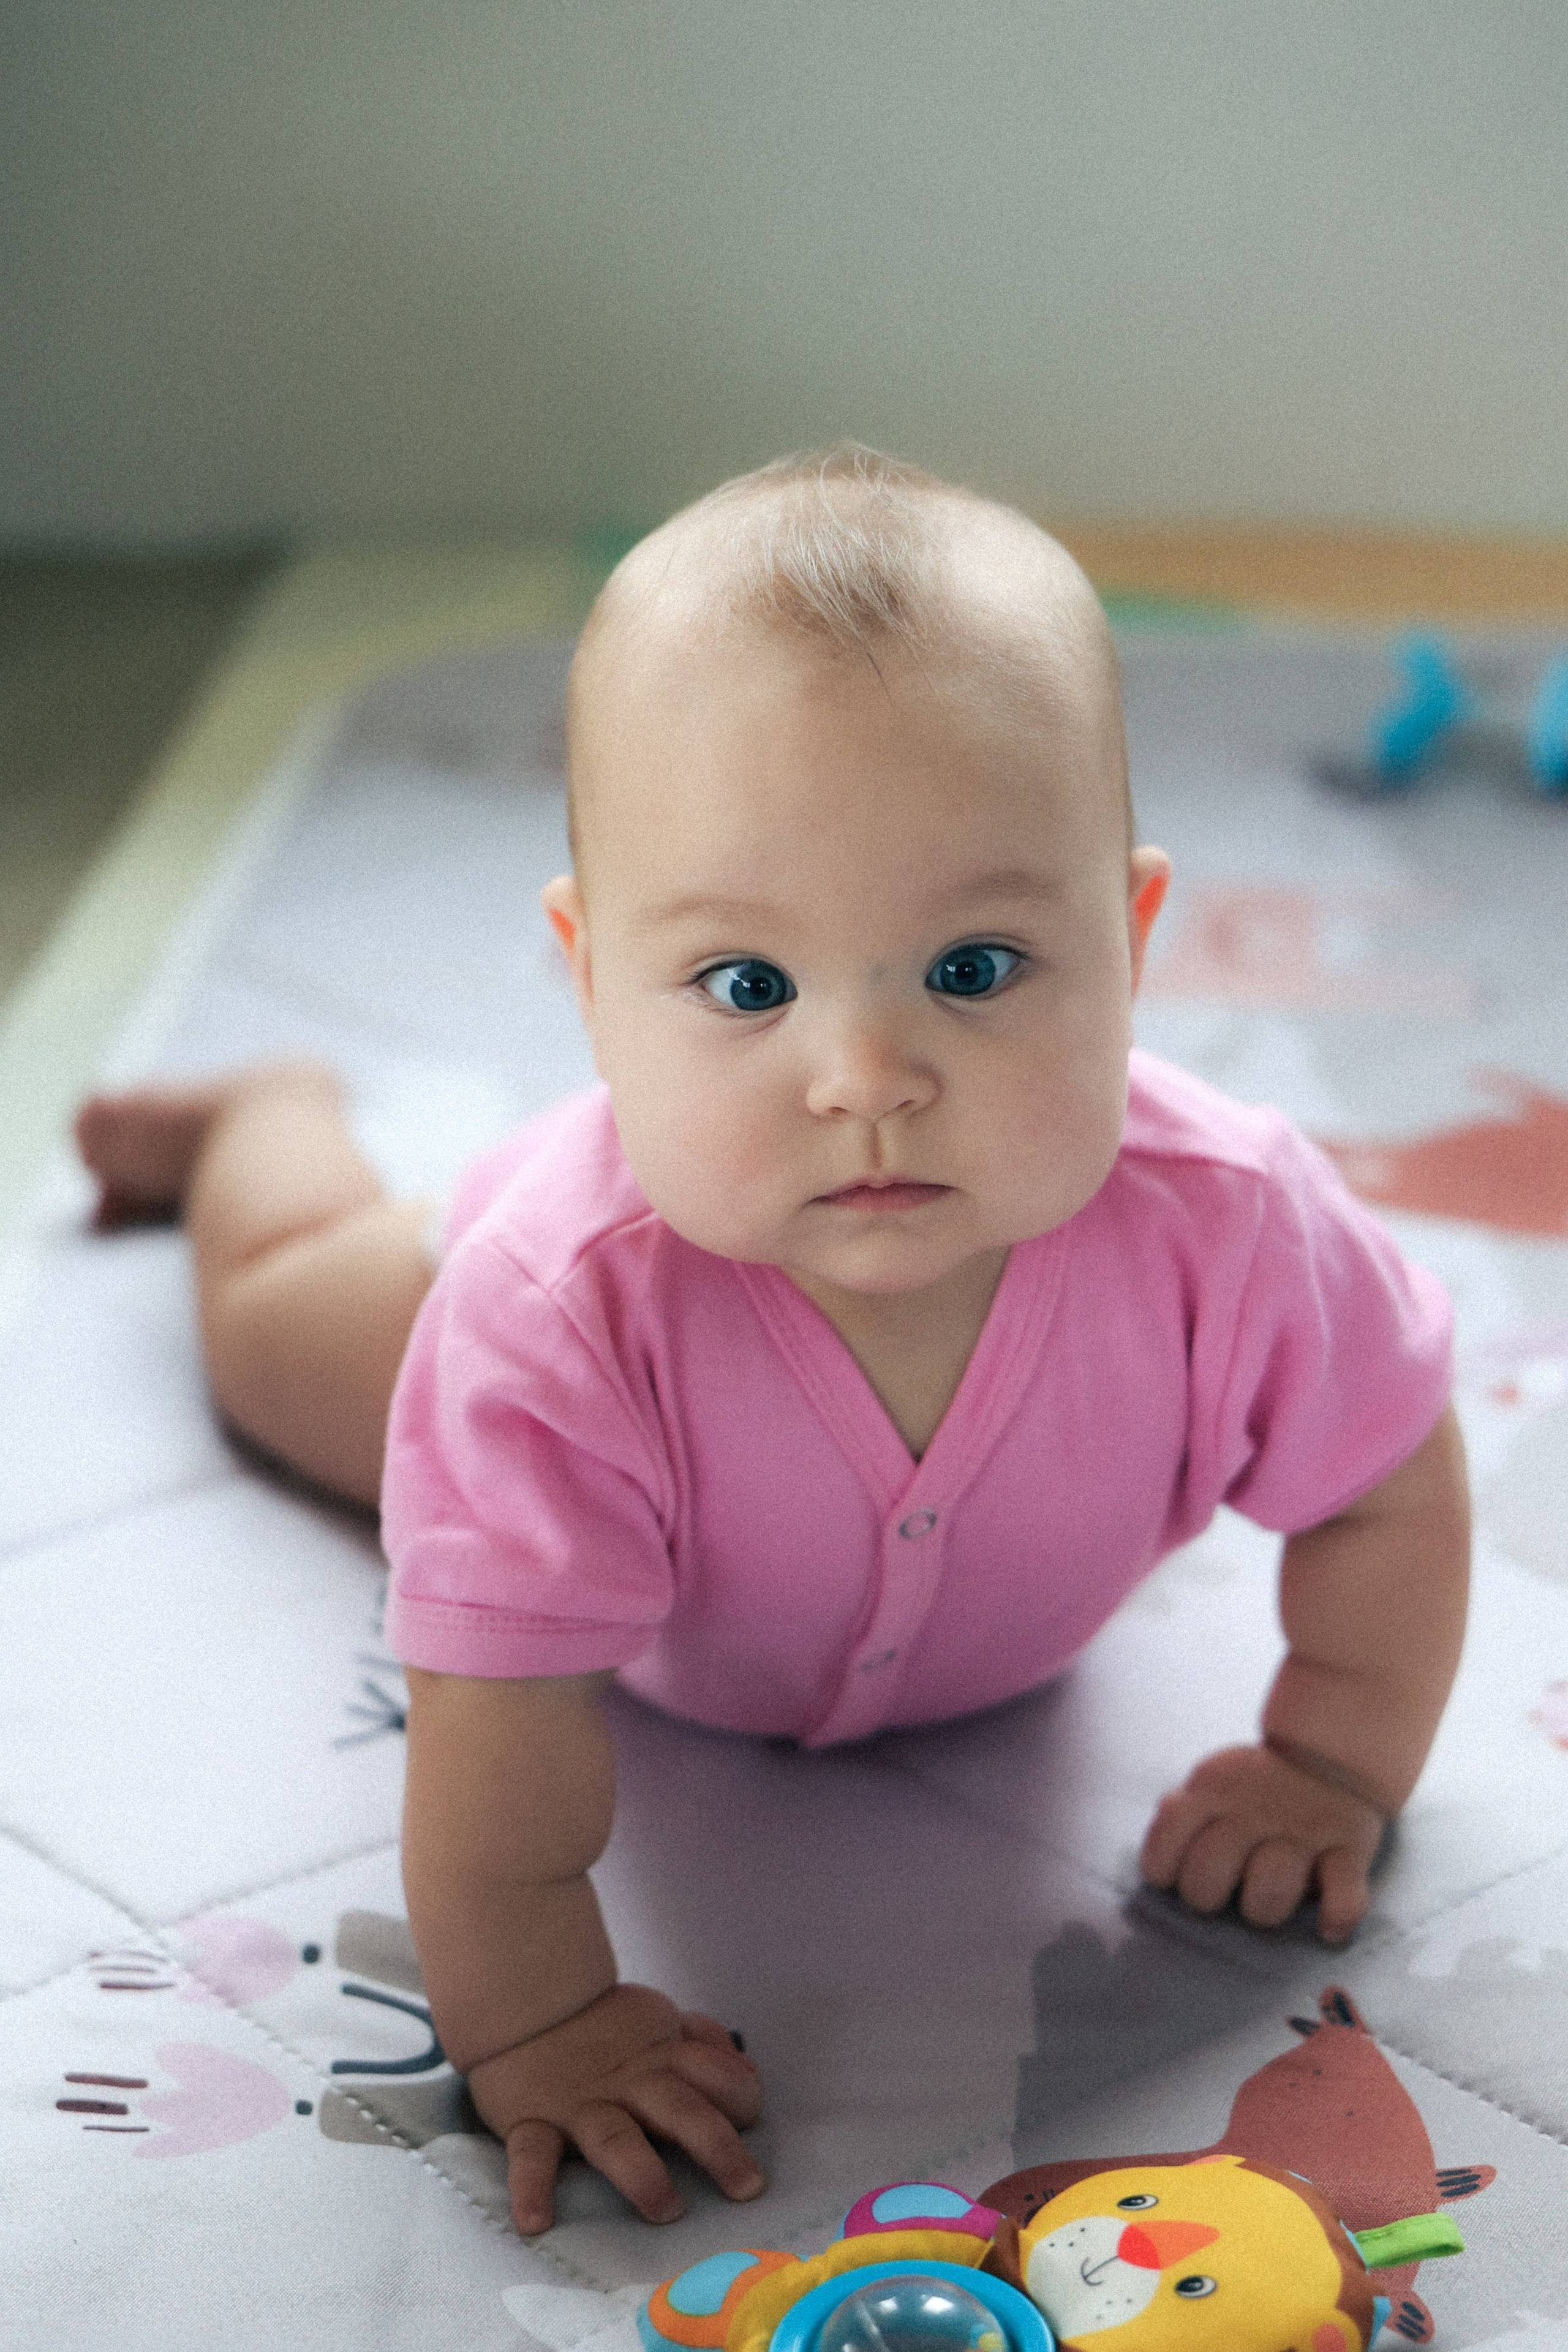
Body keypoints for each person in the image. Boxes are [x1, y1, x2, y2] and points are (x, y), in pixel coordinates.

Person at [76, 447, 1469, 2242]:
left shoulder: (1240, 1226)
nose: (865, 1079)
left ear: (1128, 942)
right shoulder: (548, 1320)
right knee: (273, 1325)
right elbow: (494, 1732)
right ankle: (265, 1118)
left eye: (974, 969)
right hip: (471, 1306)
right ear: (593, 980)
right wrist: (541, 2020)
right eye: (747, 987)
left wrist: (1332, 1760)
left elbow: (1389, 1480)